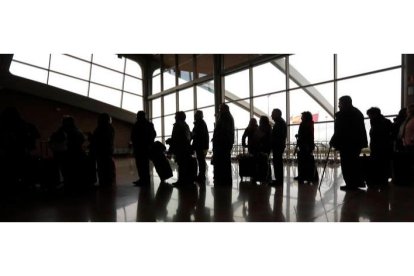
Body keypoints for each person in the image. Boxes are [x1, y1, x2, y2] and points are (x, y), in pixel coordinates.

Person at [330, 95, 368, 191]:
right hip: (355, 144)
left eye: (340, 103)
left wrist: (334, 141)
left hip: (348, 144)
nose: (339, 105)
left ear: (345, 103)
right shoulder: (356, 113)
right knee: (353, 164)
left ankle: (351, 184)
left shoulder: (345, 114)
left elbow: (341, 131)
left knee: (348, 165)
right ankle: (355, 183)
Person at [366, 107, 392, 187]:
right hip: (383, 148)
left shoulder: (377, 123)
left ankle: (379, 182)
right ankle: (382, 182)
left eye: (370, 115)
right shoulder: (385, 122)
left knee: (379, 165)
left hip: (379, 148)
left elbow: (377, 136)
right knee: (383, 165)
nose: (369, 117)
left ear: (374, 114)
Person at [131, 111, 156, 187]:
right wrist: (149, 144)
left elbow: (133, 136)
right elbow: (153, 134)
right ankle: (145, 179)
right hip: (145, 147)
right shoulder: (149, 124)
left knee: (140, 164)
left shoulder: (137, 124)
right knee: (144, 164)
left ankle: (143, 179)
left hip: (139, 147)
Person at [168, 111, 193, 187]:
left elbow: (176, 138)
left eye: (176, 116)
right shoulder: (186, 125)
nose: (175, 117)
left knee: (181, 165)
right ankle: (184, 180)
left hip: (180, 149)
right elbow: (188, 136)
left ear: (178, 117)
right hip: (186, 148)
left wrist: (170, 142)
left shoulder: (178, 125)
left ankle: (181, 181)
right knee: (183, 165)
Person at [212, 103, 235, 187]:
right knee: (225, 162)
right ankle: (224, 179)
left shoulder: (225, 117)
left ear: (224, 109)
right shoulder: (227, 117)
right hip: (225, 143)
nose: (219, 110)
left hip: (222, 144)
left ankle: (222, 179)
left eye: (220, 109)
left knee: (222, 162)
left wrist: (216, 138)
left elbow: (222, 131)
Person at [90, 113, 115, 187]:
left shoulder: (101, 128)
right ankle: (108, 180)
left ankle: (105, 181)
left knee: (103, 167)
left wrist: (92, 138)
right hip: (107, 150)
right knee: (106, 166)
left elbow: (100, 139)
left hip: (102, 150)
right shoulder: (109, 127)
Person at [294, 111, 317, 183]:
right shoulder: (309, 124)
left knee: (303, 162)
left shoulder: (305, 124)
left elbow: (305, 136)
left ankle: (303, 176)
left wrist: (299, 137)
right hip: (307, 145)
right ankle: (309, 176)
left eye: (302, 116)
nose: (301, 118)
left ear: (306, 117)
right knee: (307, 162)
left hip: (305, 145)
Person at [191, 110, 209, 184]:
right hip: (203, 145)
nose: (194, 116)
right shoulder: (201, 123)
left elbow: (197, 136)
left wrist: (193, 145)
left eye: (196, 115)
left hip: (201, 146)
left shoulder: (199, 124)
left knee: (201, 160)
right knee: (201, 160)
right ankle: (201, 176)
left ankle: (201, 176)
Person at [270, 108, 287, 186]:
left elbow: (278, 136)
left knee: (278, 163)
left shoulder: (280, 123)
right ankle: (278, 180)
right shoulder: (280, 122)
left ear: (277, 114)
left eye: (273, 114)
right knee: (277, 163)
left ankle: (278, 181)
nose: (271, 115)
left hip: (278, 146)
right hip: (278, 146)